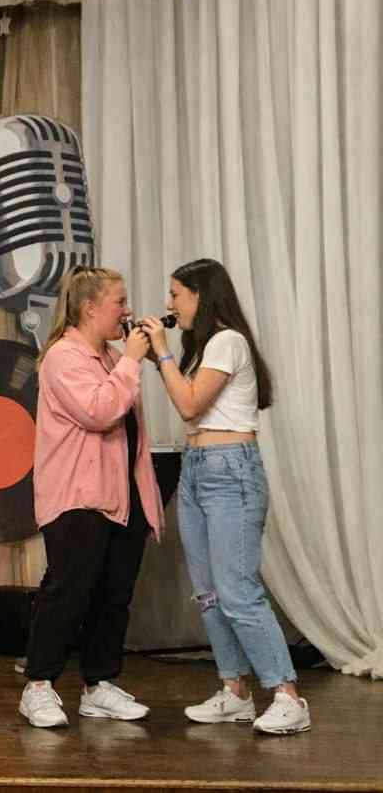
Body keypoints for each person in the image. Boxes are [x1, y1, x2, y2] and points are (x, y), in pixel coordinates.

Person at [141, 258, 309, 735]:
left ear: (200, 294)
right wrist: (156, 355)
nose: (170, 303)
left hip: (230, 471)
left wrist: (162, 352)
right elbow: (191, 400)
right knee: (210, 593)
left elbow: (189, 404)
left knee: (237, 591)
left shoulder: (228, 340)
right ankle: (234, 691)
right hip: (197, 470)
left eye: (176, 294)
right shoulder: (203, 348)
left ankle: (288, 696)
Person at [19, 267, 164, 728]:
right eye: (119, 302)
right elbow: (99, 412)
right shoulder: (63, 357)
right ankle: (38, 686)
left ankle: (98, 685)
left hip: (122, 493)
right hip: (77, 496)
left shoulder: (112, 357)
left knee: (113, 594)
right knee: (69, 591)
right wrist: (132, 362)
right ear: (89, 308)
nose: (127, 310)